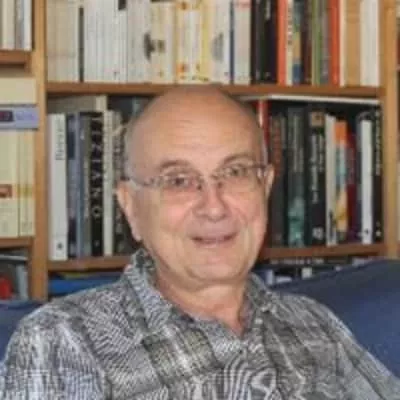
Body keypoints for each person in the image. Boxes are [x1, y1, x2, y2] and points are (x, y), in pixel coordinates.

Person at [0, 86, 399, 399]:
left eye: (236, 172)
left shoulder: (313, 324)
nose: (213, 206)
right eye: (178, 180)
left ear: (266, 187)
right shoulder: (65, 341)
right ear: (131, 207)